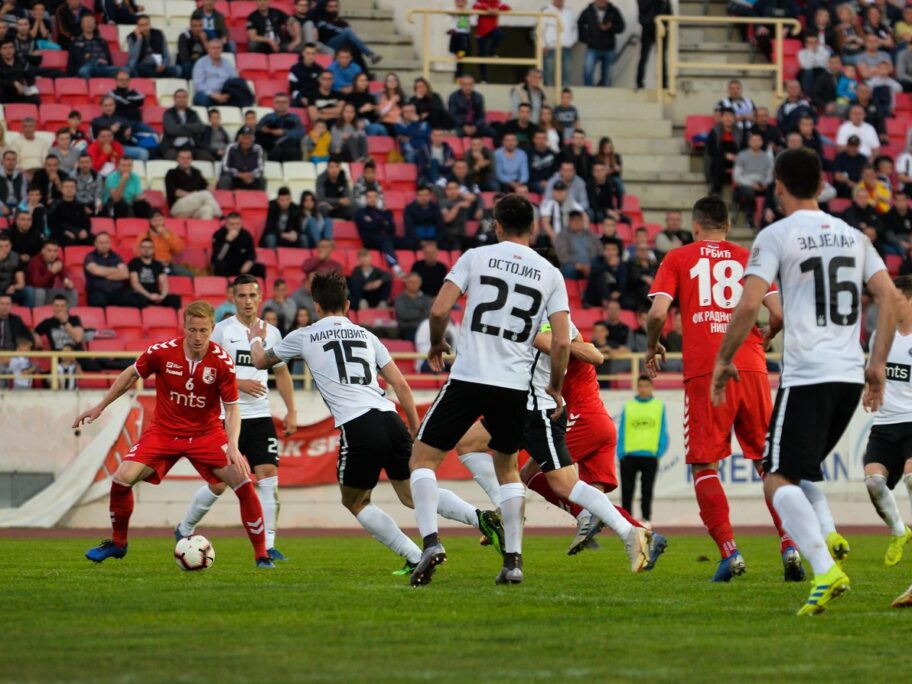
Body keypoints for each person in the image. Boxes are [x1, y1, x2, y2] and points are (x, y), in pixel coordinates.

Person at [711, 147, 899, 615]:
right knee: (799, 470)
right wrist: (876, 364)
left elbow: (750, 304)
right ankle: (829, 538)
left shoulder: (776, 234)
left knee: (776, 479)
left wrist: (723, 358)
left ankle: (823, 566)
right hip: (849, 377)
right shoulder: (854, 236)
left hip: (808, 375)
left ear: (778, 186)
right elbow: (890, 298)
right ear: (821, 185)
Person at [251, 271, 501, 572]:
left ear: (316, 307)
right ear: (347, 305)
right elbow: (402, 385)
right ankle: (480, 518)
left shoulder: (304, 335)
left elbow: (260, 361)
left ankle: (413, 555)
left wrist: (255, 339)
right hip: (389, 417)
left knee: (355, 501)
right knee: (412, 494)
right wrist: (412, 425)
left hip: (358, 425)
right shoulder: (367, 336)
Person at [406, 194, 571, 587]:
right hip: (513, 386)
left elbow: (438, 311)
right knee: (509, 468)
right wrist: (555, 387)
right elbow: (562, 343)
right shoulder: (549, 272)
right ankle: (513, 561)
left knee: (422, 461)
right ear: (532, 227)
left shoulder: (476, 256)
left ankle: (430, 542)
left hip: (469, 377)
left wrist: (434, 344)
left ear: (496, 225)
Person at [646, 195, 801, 583]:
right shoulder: (749, 255)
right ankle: (790, 545)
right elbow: (779, 313)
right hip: (750, 366)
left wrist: (652, 346)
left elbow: (657, 313)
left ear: (695, 225)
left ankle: (730, 552)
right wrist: (769, 334)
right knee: (768, 463)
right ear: (728, 226)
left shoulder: (679, 257)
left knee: (705, 463)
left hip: (707, 370)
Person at [75, 301, 274, 568]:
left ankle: (262, 555)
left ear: (212, 328)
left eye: (204, 330)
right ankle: (118, 544)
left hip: (206, 434)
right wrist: (100, 406)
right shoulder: (162, 352)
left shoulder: (222, 362)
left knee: (243, 480)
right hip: (164, 433)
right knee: (122, 478)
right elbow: (131, 374)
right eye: (192, 330)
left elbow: (232, 409)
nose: (198, 337)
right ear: (184, 327)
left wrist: (233, 446)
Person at [175, 276, 296, 561]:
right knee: (219, 484)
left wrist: (292, 410)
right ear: (233, 298)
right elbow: (204, 368)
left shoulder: (273, 333)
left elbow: (281, 373)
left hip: (261, 415)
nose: (247, 301)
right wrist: (239, 383)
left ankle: (268, 545)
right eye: (241, 296)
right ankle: (184, 527)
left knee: (268, 477)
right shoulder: (221, 331)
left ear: (260, 297)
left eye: (252, 295)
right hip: (225, 416)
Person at [860, 275, 912, 568]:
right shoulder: (882, 337)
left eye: (897, 300)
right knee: (874, 482)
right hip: (885, 422)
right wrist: (871, 393)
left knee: (911, 478)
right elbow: (875, 373)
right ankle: (899, 531)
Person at [617, 375, 667, 524]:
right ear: (637, 387)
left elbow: (663, 429)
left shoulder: (659, 406)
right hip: (629, 455)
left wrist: (659, 451)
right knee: (627, 490)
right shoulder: (629, 406)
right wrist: (620, 452)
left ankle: (646, 519)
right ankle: (626, 520)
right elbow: (622, 429)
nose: (644, 389)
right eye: (641, 386)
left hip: (650, 456)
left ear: (651, 387)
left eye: (646, 386)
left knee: (647, 490)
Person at [577, 0, 625, 87]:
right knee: (588, 71)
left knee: (607, 76)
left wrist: (611, 27)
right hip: (593, 47)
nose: (602, 1)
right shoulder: (588, 11)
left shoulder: (613, 10)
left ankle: (606, 97)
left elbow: (621, 27)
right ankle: (588, 92)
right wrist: (587, 39)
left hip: (609, 49)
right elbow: (579, 26)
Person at [192, 39, 253, 108]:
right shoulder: (201, 63)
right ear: (208, 50)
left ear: (222, 49)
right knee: (203, 99)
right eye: (214, 48)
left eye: (219, 48)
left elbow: (234, 81)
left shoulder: (227, 63)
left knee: (239, 83)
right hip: (207, 94)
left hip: (225, 94)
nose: (216, 50)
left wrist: (228, 95)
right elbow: (198, 84)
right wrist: (213, 94)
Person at [733, 132, 774, 229]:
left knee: (772, 189)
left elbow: (770, 175)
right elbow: (737, 176)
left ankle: (767, 219)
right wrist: (751, 184)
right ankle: (750, 218)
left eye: (758, 140)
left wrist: (764, 183)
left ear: (762, 142)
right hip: (746, 184)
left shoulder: (767, 158)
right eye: (753, 140)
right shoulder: (742, 156)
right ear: (749, 142)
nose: (756, 143)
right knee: (748, 191)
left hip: (762, 184)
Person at [165, 150, 221, 220]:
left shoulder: (196, 172)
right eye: (182, 158)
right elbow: (173, 191)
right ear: (177, 159)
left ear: (191, 159)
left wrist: (211, 187)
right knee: (205, 194)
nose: (185, 160)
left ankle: (206, 230)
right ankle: (220, 216)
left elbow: (205, 185)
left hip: (195, 206)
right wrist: (193, 195)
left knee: (207, 209)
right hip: (178, 207)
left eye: (188, 158)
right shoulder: (171, 173)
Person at [127, 238, 181, 309]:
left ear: (153, 249)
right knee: (140, 299)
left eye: (149, 247)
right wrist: (148, 295)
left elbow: (164, 282)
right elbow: (135, 283)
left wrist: (162, 296)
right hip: (141, 294)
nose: (146, 250)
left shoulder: (157, 264)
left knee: (175, 299)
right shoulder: (134, 262)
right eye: (144, 247)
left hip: (156, 295)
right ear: (140, 249)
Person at [355, 188, 400, 271]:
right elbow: (367, 227)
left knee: (409, 241)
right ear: (365, 199)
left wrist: (375, 222)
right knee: (386, 242)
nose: (372, 199)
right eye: (369, 197)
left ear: (378, 198)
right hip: (370, 241)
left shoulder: (384, 212)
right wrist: (382, 222)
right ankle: (395, 266)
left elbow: (392, 229)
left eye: (374, 197)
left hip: (387, 238)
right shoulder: (360, 213)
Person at [162, 89, 212, 161]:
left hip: (192, 147)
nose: (181, 99)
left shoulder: (193, 113)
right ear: (174, 99)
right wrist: (192, 130)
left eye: (184, 97)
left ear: (187, 99)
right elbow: (172, 130)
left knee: (208, 157)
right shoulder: (168, 113)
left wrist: (183, 125)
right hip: (173, 147)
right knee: (176, 159)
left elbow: (201, 128)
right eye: (179, 97)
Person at [24, 240, 76, 308]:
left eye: (55, 251)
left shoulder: (57, 260)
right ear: (43, 251)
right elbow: (37, 284)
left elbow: (64, 274)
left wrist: (67, 282)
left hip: (48, 291)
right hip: (33, 293)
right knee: (40, 292)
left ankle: (67, 316)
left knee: (73, 292)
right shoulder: (35, 262)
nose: (52, 254)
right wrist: (51, 272)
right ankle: (39, 315)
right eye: (49, 250)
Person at [212, 213, 266, 278]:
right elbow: (219, 257)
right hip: (226, 264)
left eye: (237, 224)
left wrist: (249, 263)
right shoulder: (218, 235)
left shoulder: (246, 235)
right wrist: (227, 241)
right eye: (231, 224)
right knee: (220, 266)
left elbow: (252, 253)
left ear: (241, 224)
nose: (235, 227)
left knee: (260, 268)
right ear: (226, 225)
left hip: (241, 265)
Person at [256, 93, 305, 162]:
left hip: (291, 151)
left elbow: (301, 133)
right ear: (273, 104)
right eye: (278, 102)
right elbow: (258, 131)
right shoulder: (267, 118)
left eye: (284, 102)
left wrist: (284, 132)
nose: (281, 104)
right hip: (272, 150)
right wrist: (269, 131)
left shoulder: (294, 118)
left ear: (289, 104)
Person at [84, 232, 130, 307]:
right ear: (95, 244)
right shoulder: (90, 257)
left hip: (117, 292)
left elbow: (125, 274)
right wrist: (116, 270)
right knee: (99, 301)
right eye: (101, 243)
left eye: (106, 242)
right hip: (98, 292)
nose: (104, 245)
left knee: (136, 299)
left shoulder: (116, 256)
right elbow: (96, 271)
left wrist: (104, 274)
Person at [47, 176, 92, 246]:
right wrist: (65, 232)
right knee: (66, 239)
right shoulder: (55, 205)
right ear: (61, 189)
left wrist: (85, 231)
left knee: (94, 239)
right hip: (61, 233)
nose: (69, 189)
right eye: (67, 187)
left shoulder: (80, 205)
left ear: (76, 189)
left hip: (78, 232)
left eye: (72, 187)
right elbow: (52, 224)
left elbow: (86, 222)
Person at [555, 210, 600, 279]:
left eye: (579, 220)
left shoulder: (590, 234)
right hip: (573, 266)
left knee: (602, 269)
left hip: (591, 265)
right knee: (567, 270)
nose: (576, 223)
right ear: (569, 221)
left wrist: (591, 265)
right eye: (574, 221)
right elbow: (562, 255)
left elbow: (599, 250)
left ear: (582, 221)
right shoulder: (562, 235)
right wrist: (578, 266)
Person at [541, 0, 577, 87]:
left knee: (566, 73)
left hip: (566, 48)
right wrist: (543, 45)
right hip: (551, 49)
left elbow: (574, 28)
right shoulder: (546, 11)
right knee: (549, 72)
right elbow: (540, 29)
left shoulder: (569, 12)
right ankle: (547, 95)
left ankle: (565, 96)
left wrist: (571, 41)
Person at [394, 272, 431, 342]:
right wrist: (421, 311)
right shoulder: (399, 299)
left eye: (416, 282)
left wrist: (412, 312)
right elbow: (404, 314)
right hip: (408, 329)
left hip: (425, 329)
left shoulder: (426, 298)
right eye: (411, 282)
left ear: (420, 283)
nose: (414, 284)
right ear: (406, 283)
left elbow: (429, 314)